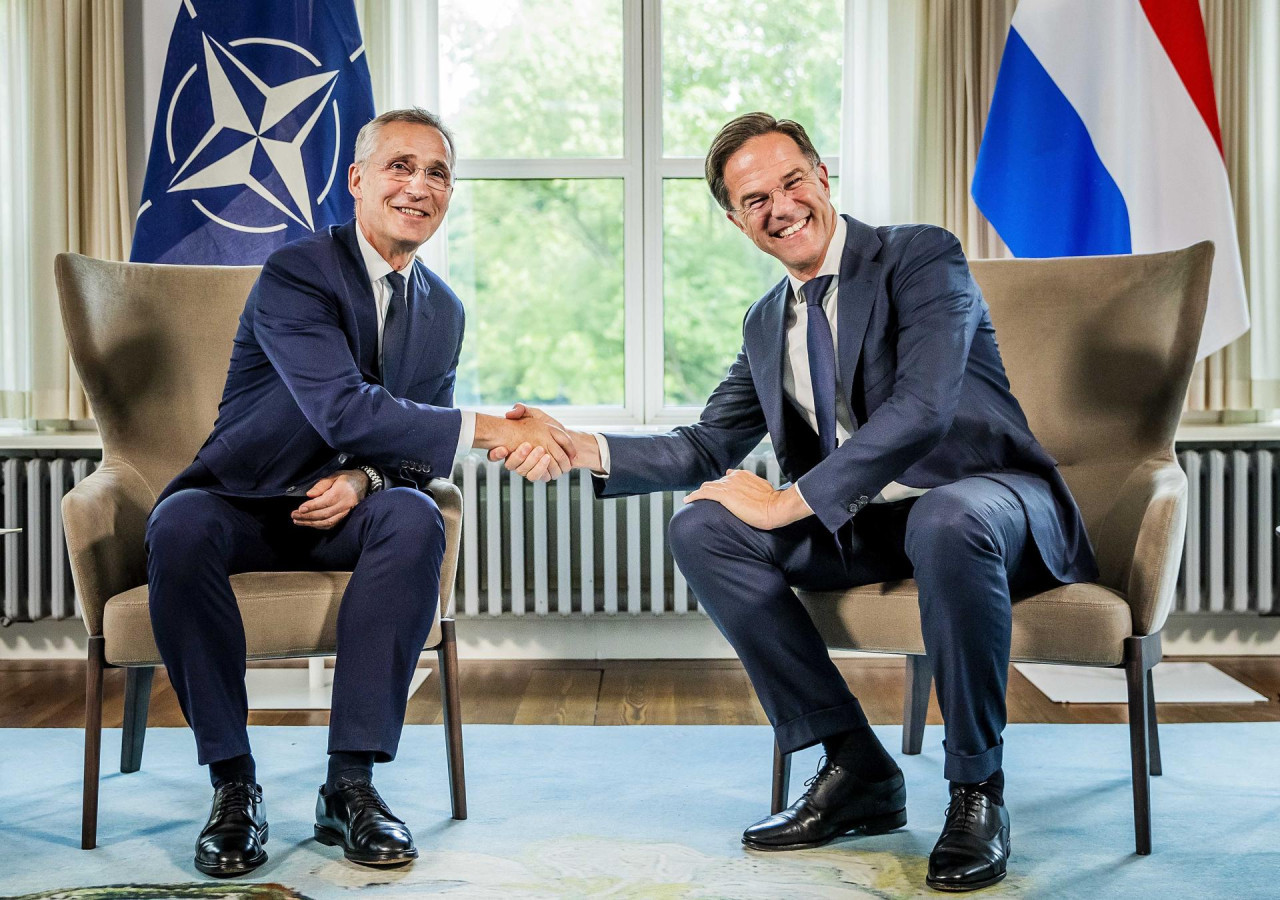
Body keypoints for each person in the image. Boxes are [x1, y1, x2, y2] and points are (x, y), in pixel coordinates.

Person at [495, 112, 1097, 892]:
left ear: (821, 176)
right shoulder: (765, 323)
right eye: (754, 200)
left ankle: (977, 788)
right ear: (735, 220)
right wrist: (582, 448)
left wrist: (788, 502)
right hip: (876, 525)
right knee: (705, 527)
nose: (779, 207)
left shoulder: (919, 256)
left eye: (790, 183)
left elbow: (924, 411)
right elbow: (705, 446)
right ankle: (854, 763)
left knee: (948, 517)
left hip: (992, 503)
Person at [145, 108, 574, 878]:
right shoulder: (297, 274)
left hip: (348, 510)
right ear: (358, 181)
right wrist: (491, 430)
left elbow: (403, 452)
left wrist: (363, 479)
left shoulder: (443, 309)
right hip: (244, 498)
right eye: (401, 167)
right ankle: (233, 786)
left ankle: (350, 785)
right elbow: (344, 407)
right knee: (177, 525)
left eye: (438, 173)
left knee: (413, 515)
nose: (420, 186)